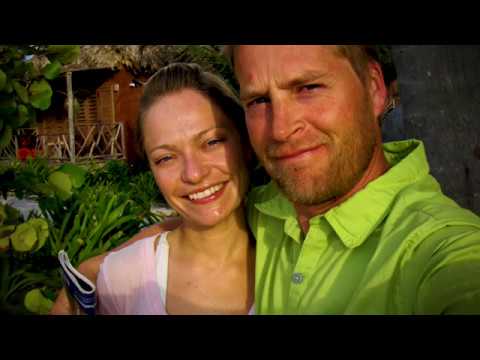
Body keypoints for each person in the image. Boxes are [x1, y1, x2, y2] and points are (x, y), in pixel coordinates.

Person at [52, 45, 480, 315]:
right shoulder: (270, 208)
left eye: (308, 87)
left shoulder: (441, 249)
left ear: (373, 88)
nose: (280, 129)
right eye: (258, 100)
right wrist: (87, 278)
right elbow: (196, 221)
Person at [52, 63, 255, 315]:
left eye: (211, 142)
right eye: (166, 158)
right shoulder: (124, 279)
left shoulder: (296, 252)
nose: (193, 173)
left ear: (246, 143)